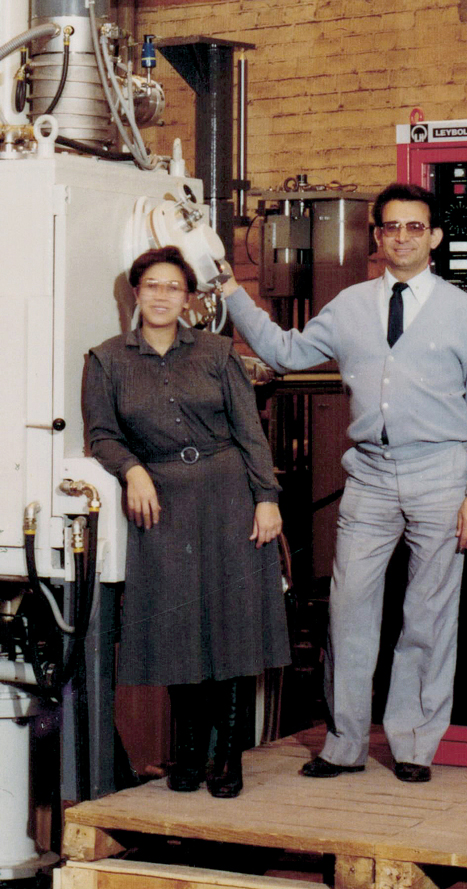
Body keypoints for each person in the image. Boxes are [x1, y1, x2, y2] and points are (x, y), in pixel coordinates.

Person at [221, 182, 467, 783]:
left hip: (441, 474)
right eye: (391, 227)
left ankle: (412, 745)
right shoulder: (350, 305)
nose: (402, 236)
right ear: (376, 237)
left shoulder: (465, 312)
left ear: (434, 237)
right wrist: (231, 295)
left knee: (428, 616)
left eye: (414, 227)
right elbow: (284, 352)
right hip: (371, 477)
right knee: (349, 610)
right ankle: (345, 744)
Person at [84, 246, 290, 799]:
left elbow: (250, 431)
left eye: (172, 287)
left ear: (188, 298)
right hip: (163, 501)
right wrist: (132, 471)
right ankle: (191, 752)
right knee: (177, 629)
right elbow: (103, 435)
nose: (160, 295)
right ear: (136, 291)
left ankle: (230, 757)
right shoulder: (106, 360)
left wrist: (265, 498)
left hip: (229, 496)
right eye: (151, 285)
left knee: (233, 624)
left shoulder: (219, 352)